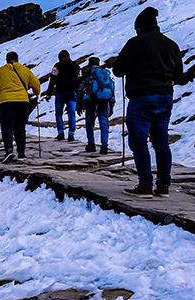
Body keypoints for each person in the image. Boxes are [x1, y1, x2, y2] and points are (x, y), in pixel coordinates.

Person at [114, 7, 183, 198]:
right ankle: (163, 186)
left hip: (142, 97)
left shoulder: (136, 43)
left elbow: (118, 70)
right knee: (161, 141)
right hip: (165, 97)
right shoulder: (172, 45)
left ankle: (145, 184)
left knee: (138, 140)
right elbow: (179, 75)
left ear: (139, 27)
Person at [0, 51, 41, 163]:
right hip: (22, 102)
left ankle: (9, 150)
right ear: (17, 59)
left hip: (5, 102)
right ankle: (21, 152)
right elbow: (36, 84)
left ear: (7, 60)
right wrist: (36, 93)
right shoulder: (25, 70)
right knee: (20, 128)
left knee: (7, 127)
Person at [77, 57, 115, 154]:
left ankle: (91, 144)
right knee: (103, 123)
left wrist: (79, 104)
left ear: (89, 64)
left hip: (91, 102)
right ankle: (104, 146)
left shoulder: (87, 75)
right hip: (104, 101)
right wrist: (111, 106)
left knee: (89, 123)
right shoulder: (104, 74)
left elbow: (80, 90)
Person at [44, 50, 81, 141]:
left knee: (59, 113)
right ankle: (71, 133)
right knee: (71, 113)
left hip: (60, 92)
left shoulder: (57, 66)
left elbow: (52, 79)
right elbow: (80, 79)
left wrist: (49, 93)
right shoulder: (76, 66)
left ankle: (61, 132)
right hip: (72, 92)